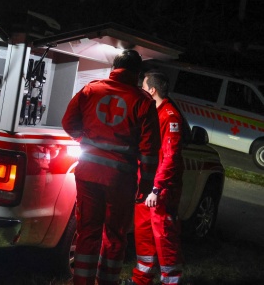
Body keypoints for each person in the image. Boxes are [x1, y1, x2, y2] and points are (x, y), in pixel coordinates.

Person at [62, 49, 161, 285]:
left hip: (87, 174)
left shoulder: (91, 90)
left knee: (87, 231)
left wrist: (84, 138)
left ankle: (81, 282)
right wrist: (146, 184)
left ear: (114, 68)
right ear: (137, 75)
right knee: (115, 235)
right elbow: (149, 150)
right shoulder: (143, 102)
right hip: (121, 179)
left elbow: (68, 123)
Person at [127, 71, 184, 285]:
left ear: (152, 90)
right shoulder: (153, 112)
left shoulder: (170, 116)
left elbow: (170, 157)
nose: (141, 90)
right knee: (143, 233)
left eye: (143, 86)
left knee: (164, 236)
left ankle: (171, 281)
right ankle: (142, 279)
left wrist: (157, 188)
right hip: (146, 185)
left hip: (161, 189)